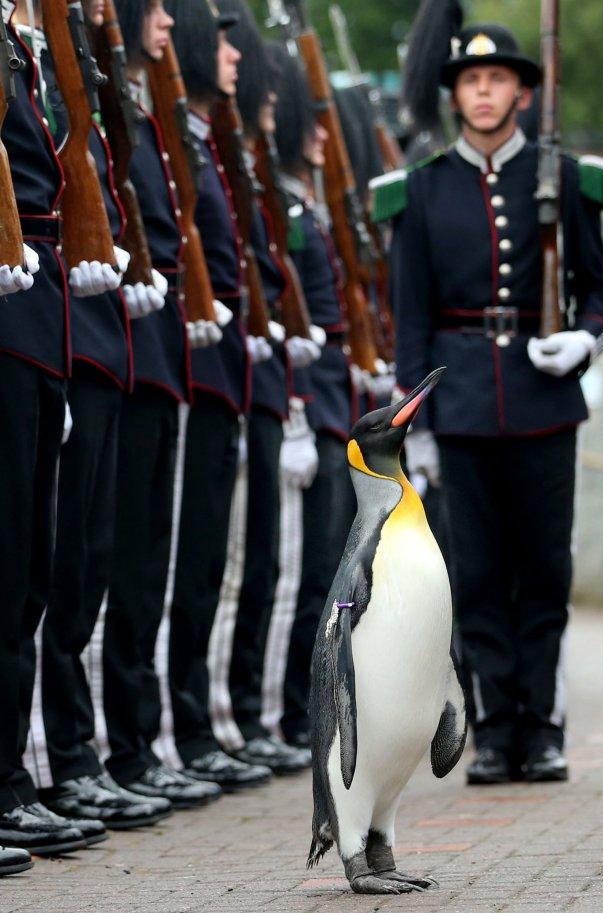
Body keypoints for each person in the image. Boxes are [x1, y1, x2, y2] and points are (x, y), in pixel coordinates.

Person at [388, 4, 603, 784]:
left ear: (523, 92)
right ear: (455, 94)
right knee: (477, 572)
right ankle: (492, 728)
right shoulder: (420, 191)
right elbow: (410, 315)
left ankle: (541, 723)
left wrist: (585, 337)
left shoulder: (563, 178)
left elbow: (600, 289)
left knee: (544, 568)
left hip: (543, 396)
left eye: (499, 79)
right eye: (471, 80)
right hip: (457, 404)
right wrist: (412, 424)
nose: (484, 93)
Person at [16, 0, 170, 831]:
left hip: (80, 337)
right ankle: (49, 762)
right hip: (48, 337)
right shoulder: (33, 66)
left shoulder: (66, 77)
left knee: (80, 569)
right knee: (37, 569)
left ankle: (70, 760)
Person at [100, 0, 219, 809]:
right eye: (162, 9)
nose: (170, 23)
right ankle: (93, 750)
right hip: (119, 351)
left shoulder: (145, 114)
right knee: (102, 562)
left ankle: (139, 745)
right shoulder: (114, 110)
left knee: (149, 565)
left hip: (160, 355)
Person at [217, 0, 318, 774]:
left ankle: (250, 716)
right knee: (228, 572)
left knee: (285, 575)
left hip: (272, 389)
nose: (305, 127)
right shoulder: (249, 182)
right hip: (220, 379)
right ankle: (219, 719)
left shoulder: (275, 192)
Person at [271, 46, 357, 750]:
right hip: (312, 404)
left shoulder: (310, 207)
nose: (324, 134)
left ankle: (310, 704)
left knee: (328, 574)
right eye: (312, 121)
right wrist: (298, 406)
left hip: (335, 405)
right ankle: (285, 709)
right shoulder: (287, 206)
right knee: (296, 578)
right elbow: (293, 316)